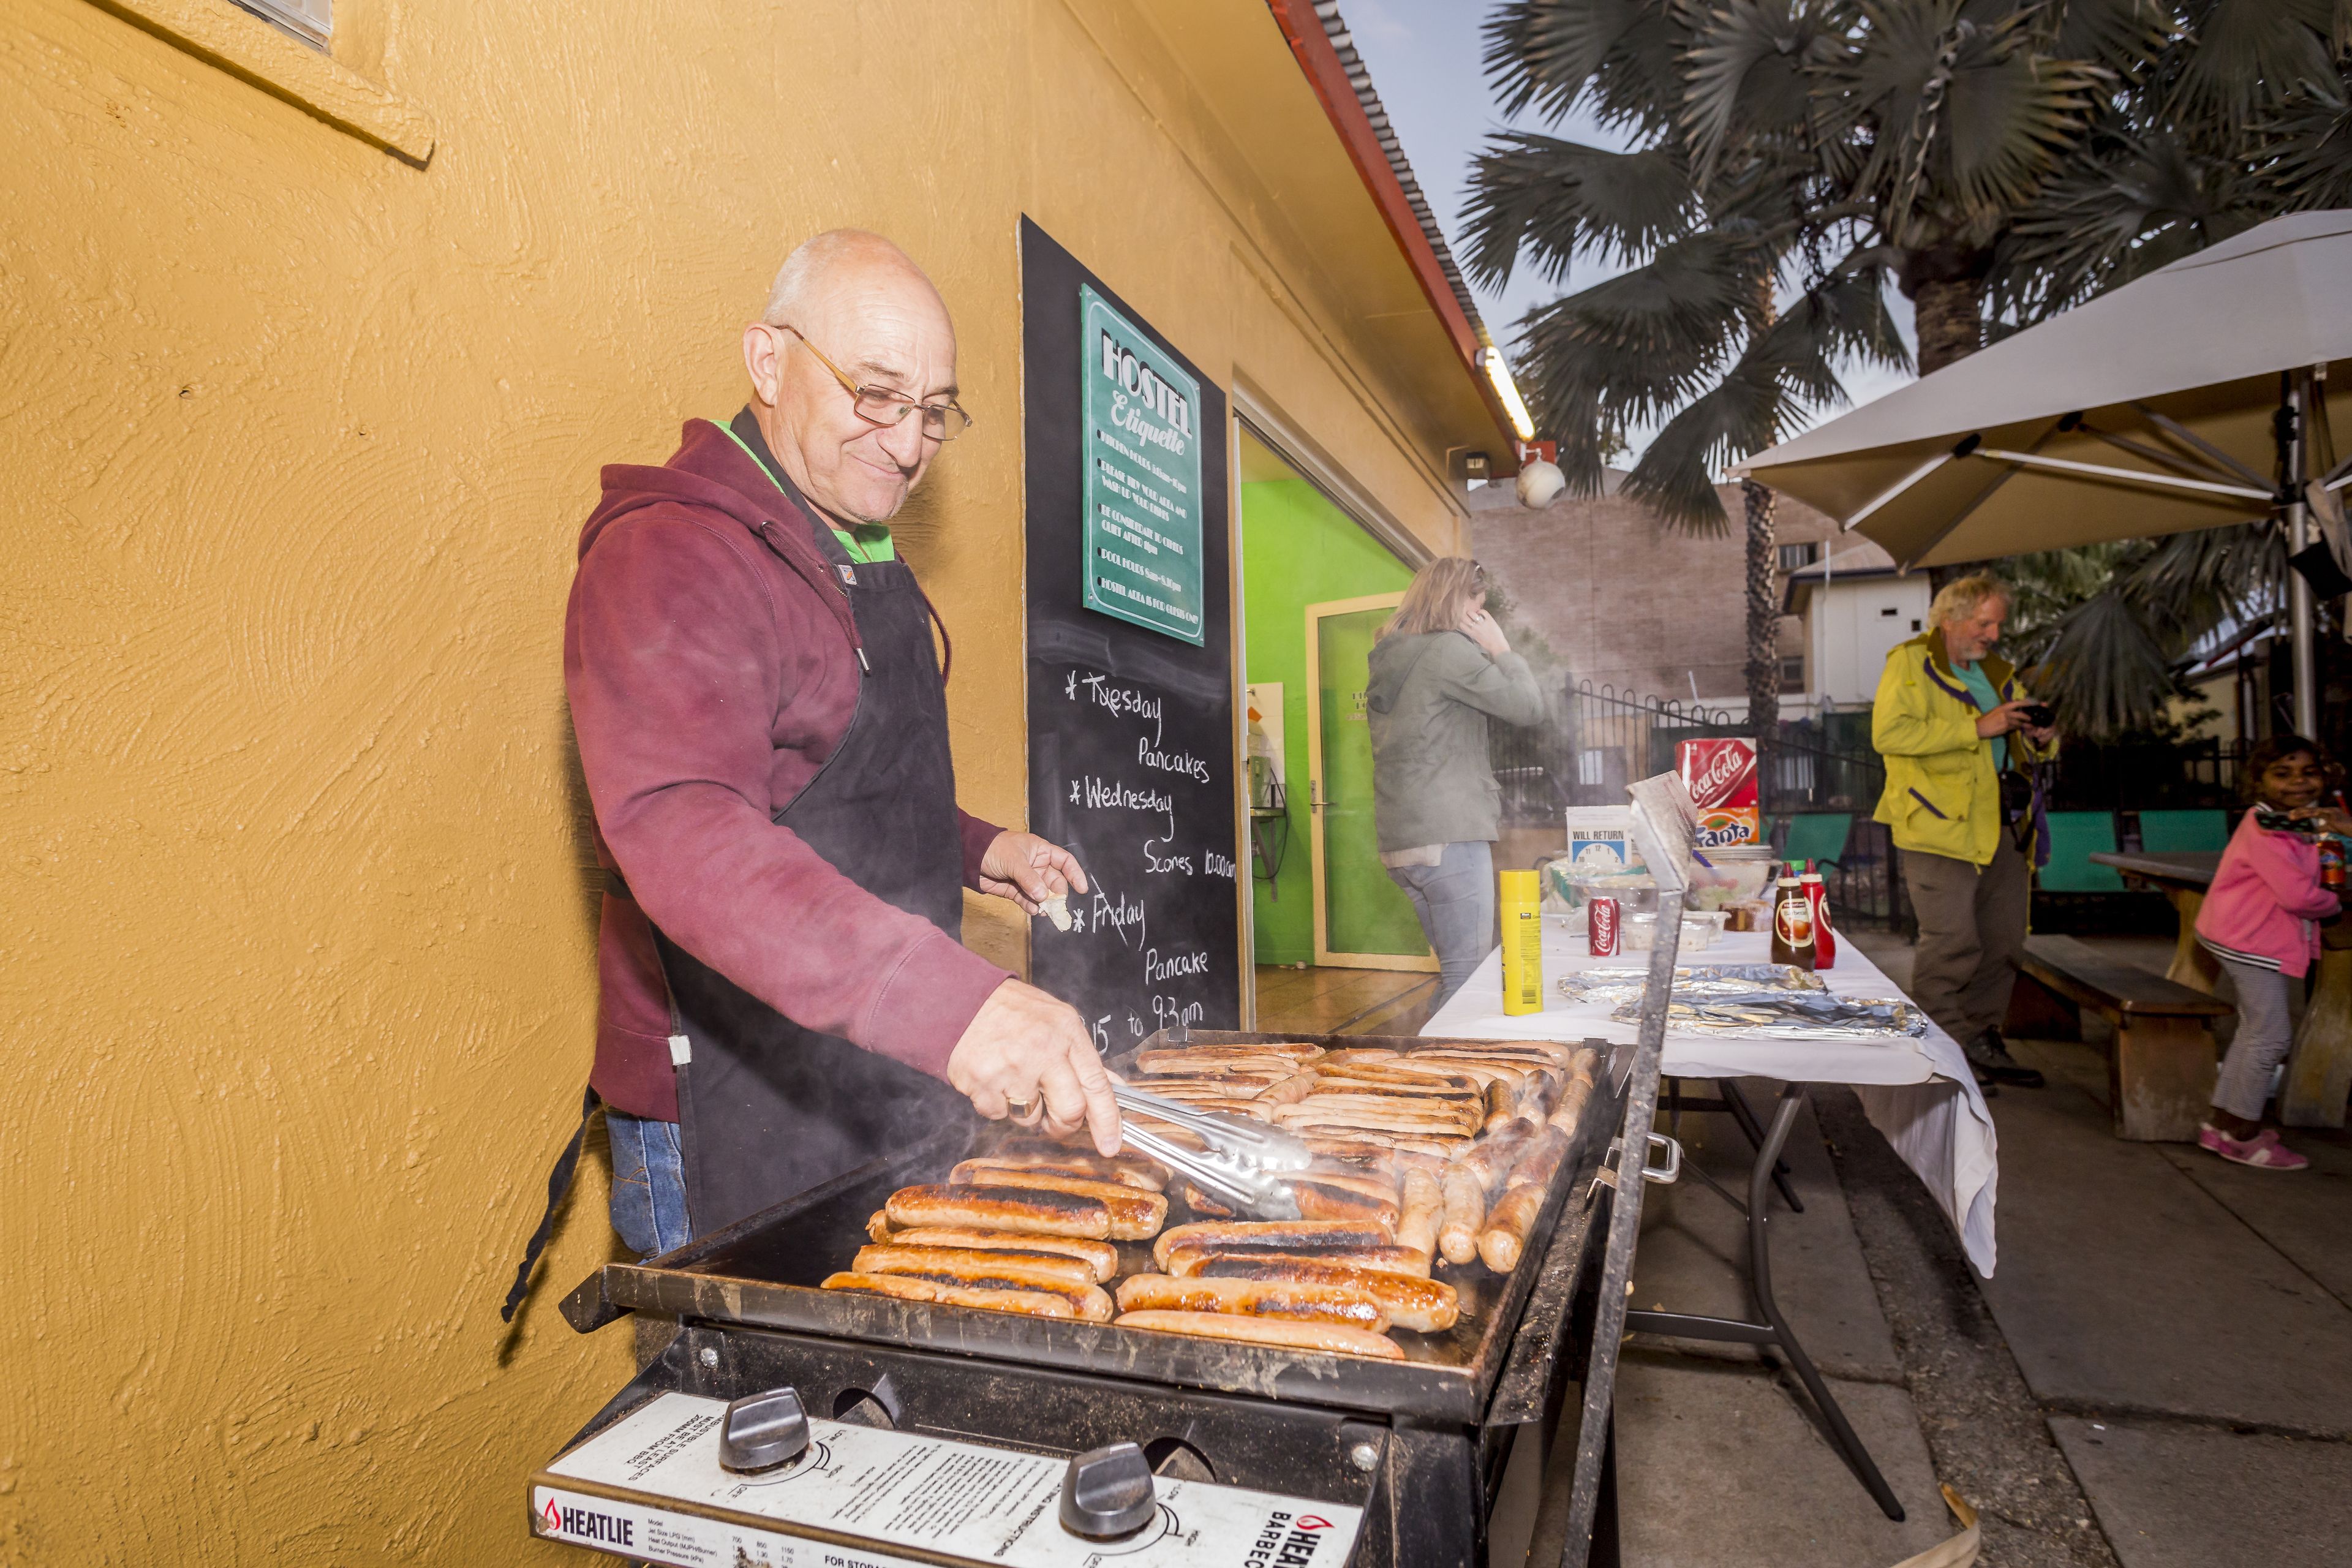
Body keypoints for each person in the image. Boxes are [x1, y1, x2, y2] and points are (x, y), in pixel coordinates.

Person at [551, 230, 1119, 1268]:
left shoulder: (846, 540)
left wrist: (980, 850)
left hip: (872, 1063)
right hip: (726, 1098)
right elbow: (686, 826)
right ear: (769, 362)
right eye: (876, 395)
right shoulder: (671, 552)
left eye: (933, 410)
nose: (907, 445)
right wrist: (957, 1004)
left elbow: (826, 785)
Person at [1871, 573, 2057, 1093]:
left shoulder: (1998, 672)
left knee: (2003, 943)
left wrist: (2041, 737)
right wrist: (1976, 728)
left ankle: (1982, 1038)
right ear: (1950, 618)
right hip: (1936, 827)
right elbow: (1888, 734)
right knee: (1953, 942)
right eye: (1984, 622)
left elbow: (2022, 741)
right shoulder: (1909, 661)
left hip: (2001, 826)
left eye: (1997, 623)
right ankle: (1945, 1050)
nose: (1993, 633)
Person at [1365, 558, 1545, 1008]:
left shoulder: (1391, 654)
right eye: (1477, 610)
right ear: (1460, 603)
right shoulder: (1446, 651)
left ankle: (1425, 1070)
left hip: (1403, 842)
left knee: (1455, 976)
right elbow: (1527, 707)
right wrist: (1501, 648)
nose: (1478, 622)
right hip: (1450, 837)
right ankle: (1452, 1077)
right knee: (1470, 980)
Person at [2190, 735, 2348, 1169]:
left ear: (2326, 776)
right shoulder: (2267, 825)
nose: (2297, 783)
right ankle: (2243, 1134)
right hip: (2251, 939)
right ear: (2258, 781)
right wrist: (2335, 904)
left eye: (2308, 773)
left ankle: (2221, 1126)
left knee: (2255, 1031)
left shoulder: (2290, 820)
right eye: (2282, 774)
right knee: (2271, 1035)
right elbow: (2298, 895)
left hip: (2245, 934)